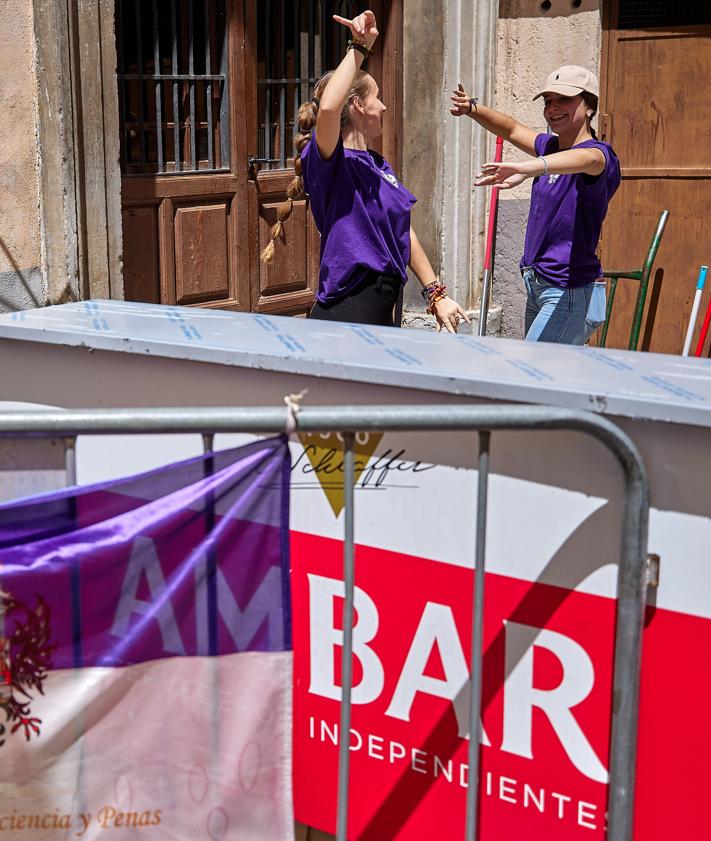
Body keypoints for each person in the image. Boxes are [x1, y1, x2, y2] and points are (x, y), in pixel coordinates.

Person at [262, 10, 468, 332]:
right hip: (350, 308)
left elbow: (402, 231)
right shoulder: (329, 159)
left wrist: (435, 293)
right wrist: (359, 47)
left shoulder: (378, 165)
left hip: (385, 306)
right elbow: (330, 107)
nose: (384, 107)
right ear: (358, 105)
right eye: (377, 98)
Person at [451, 66, 620, 344]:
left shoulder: (600, 155)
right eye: (548, 102)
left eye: (563, 100)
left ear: (589, 107)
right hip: (538, 285)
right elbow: (512, 127)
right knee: (550, 376)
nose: (553, 108)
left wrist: (532, 168)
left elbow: (586, 160)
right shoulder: (550, 148)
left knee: (532, 372)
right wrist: (472, 108)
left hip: (568, 290)